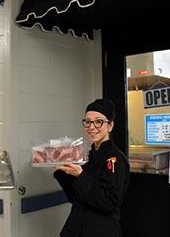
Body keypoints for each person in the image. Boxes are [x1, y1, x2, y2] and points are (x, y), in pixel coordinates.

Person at [54, 99, 130, 237]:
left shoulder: (114, 159)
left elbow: (108, 203)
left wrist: (81, 175)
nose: (92, 127)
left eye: (98, 121)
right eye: (87, 121)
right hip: (75, 228)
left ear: (110, 125)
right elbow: (75, 197)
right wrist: (64, 171)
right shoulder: (85, 156)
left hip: (100, 230)